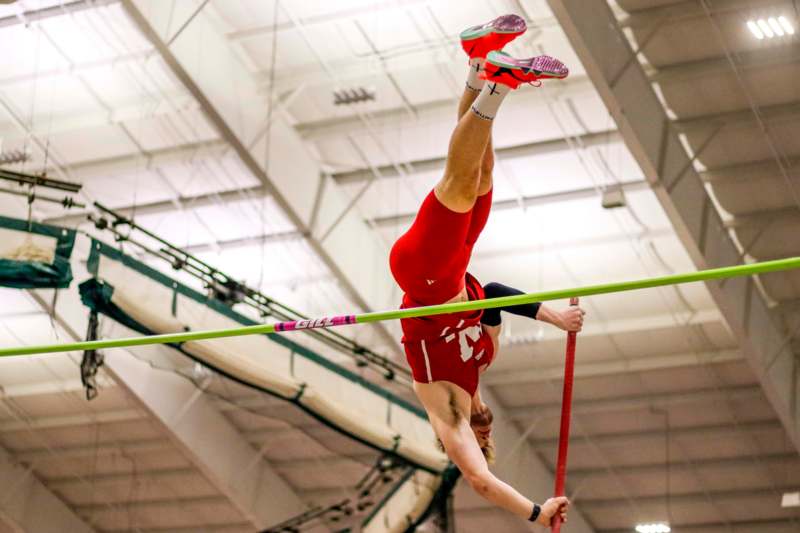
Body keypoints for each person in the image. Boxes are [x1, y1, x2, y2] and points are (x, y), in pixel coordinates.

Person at [388, 14, 586, 526]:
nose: (480, 437)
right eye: (485, 440)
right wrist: (554, 318)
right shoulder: (485, 357)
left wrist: (536, 512)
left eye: (476, 443)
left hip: (427, 278)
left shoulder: (445, 409)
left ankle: (497, 85)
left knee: (457, 183)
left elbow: (479, 481)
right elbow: (495, 292)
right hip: (458, 266)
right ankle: (481, 61)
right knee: (479, 176)